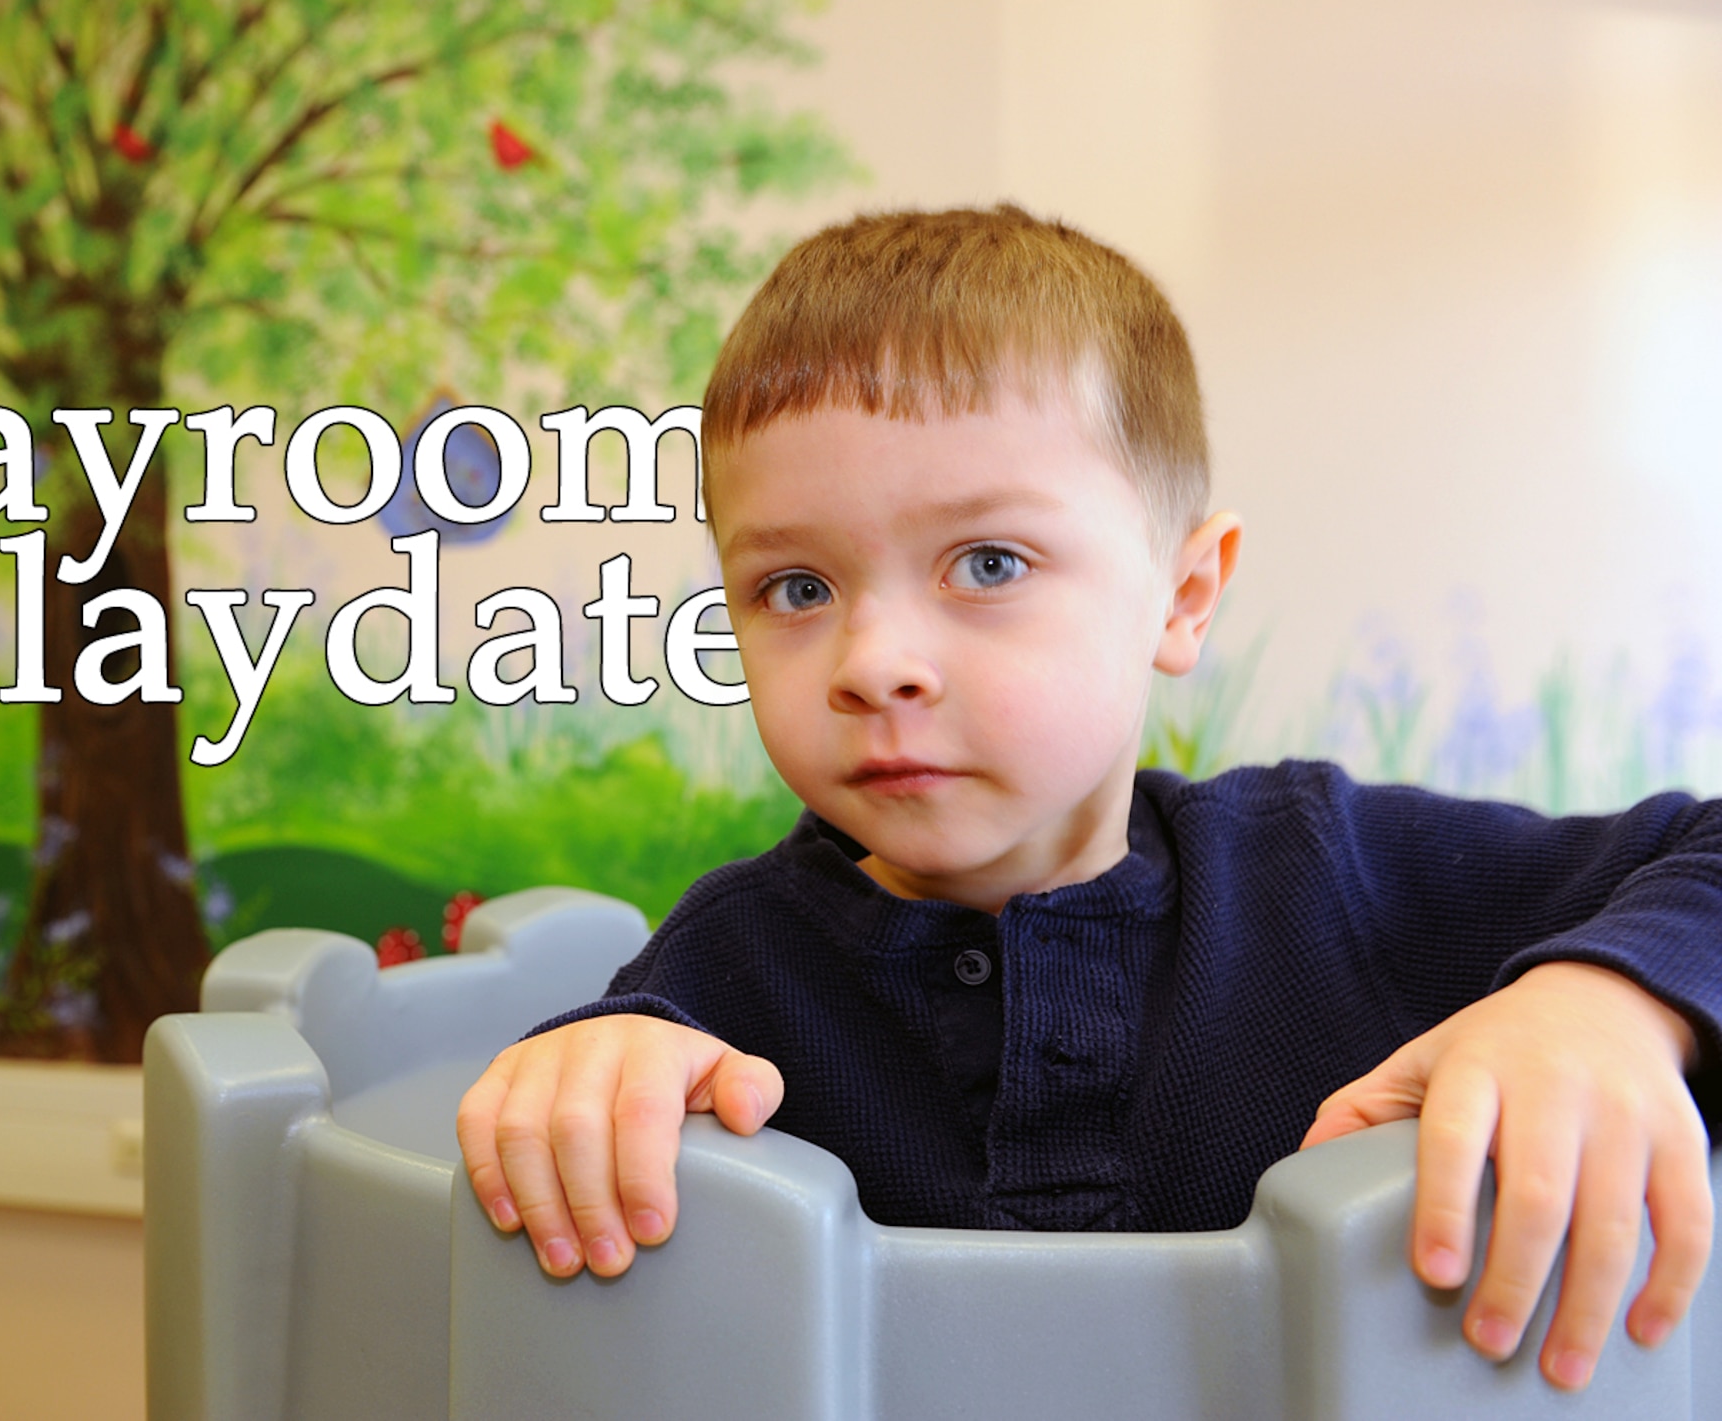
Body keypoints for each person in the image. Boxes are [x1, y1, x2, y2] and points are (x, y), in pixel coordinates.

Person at [456, 205, 1719, 1393]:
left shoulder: (1321, 869)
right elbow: (578, 1140)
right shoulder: (735, 957)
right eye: (795, 588)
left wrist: (1602, 1006)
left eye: (987, 563)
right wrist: (581, 1074)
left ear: (1181, 596)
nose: (869, 661)